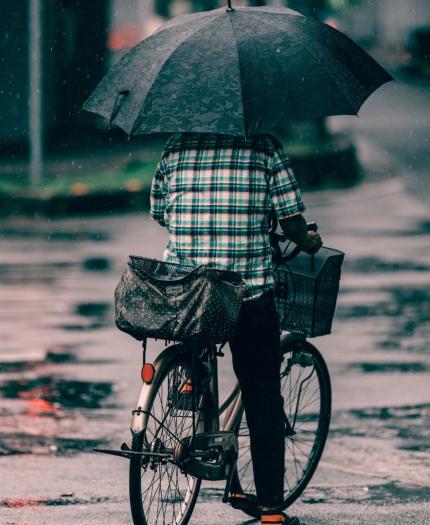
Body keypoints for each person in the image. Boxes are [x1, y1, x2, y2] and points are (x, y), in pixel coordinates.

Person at [150, 132, 322, 525]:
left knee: (198, 341)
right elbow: (292, 221)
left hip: (188, 291)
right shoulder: (264, 147)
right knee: (262, 394)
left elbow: (159, 212)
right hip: (247, 293)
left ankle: (188, 380)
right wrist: (308, 241)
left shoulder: (175, 147)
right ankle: (272, 511)